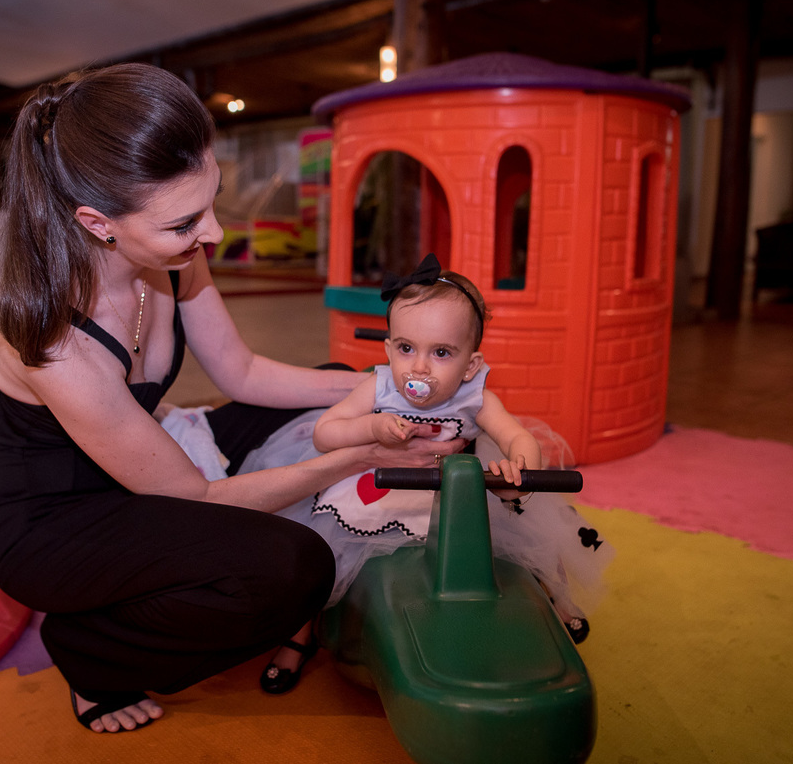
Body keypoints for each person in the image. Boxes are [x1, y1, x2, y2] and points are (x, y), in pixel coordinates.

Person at [0, 63, 463, 734]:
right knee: (293, 568)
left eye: (212, 202)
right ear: (97, 222)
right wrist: (355, 454)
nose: (215, 233)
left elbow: (241, 372)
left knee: (328, 384)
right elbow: (192, 497)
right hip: (59, 523)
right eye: (186, 222)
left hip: (150, 461)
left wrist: (385, 391)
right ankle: (91, 650)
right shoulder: (50, 336)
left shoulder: (174, 251)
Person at [237, 254, 613, 695]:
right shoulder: (378, 387)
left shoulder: (476, 397)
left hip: (453, 492)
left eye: (441, 353)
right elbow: (325, 434)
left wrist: (519, 464)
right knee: (320, 549)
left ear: (470, 366)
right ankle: (299, 635)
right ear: (388, 348)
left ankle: (552, 602)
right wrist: (371, 427)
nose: (418, 368)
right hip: (380, 484)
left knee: (531, 534)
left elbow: (518, 437)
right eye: (406, 348)